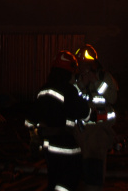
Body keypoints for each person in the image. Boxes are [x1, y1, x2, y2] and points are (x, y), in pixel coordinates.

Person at [26, 50, 91, 191]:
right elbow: (84, 113)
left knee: (54, 179)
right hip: (66, 146)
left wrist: (34, 138)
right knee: (69, 181)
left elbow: (31, 119)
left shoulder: (43, 90)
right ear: (70, 71)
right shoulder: (68, 90)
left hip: (48, 147)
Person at [74, 44, 118, 191]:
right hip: (80, 133)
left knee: (95, 167)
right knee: (79, 170)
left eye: (86, 65)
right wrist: (81, 84)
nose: (83, 68)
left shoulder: (104, 77)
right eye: (80, 65)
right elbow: (70, 99)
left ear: (94, 64)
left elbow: (112, 97)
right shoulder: (75, 80)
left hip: (100, 132)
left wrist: (96, 82)